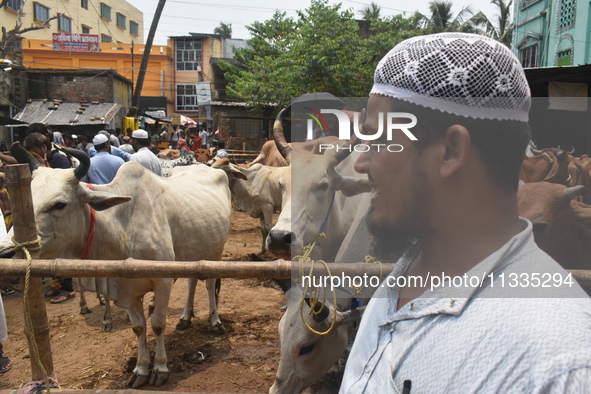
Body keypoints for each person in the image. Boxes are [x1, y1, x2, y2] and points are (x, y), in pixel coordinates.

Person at [340, 33, 591, 392]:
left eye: (379, 141)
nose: (362, 162)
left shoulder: (558, 362)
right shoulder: (394, 288)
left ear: (451, 151)